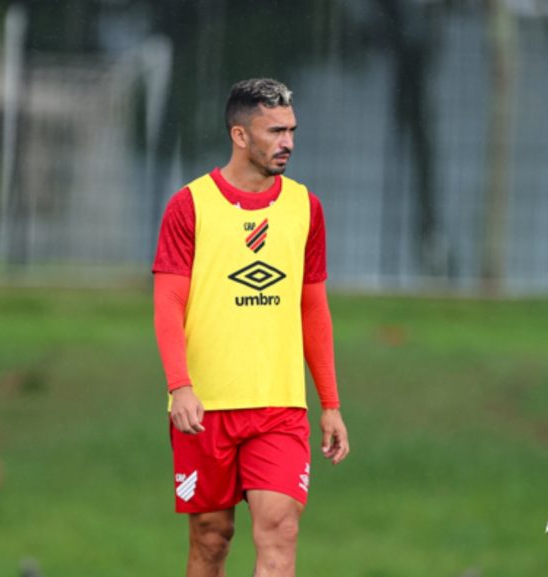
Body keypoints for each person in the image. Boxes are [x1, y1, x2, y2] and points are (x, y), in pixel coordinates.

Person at [152, 78, 351, 577]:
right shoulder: (190, 205)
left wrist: (330, 404)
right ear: (240, 136)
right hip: (206, 407)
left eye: (292, 130)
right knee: (211, 540)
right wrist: (180, 386)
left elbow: (314, 310)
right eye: (275, 131)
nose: (288, 142)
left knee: (280, 532)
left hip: (279, 408)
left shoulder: (307, 208)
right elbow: (168, 302)